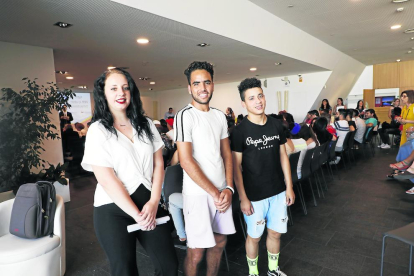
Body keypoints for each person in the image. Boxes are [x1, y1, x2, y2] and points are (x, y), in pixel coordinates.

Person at [81, 68, 178, 276]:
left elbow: (159, 165)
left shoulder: (146, 124)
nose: (121, 93)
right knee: (124, 270)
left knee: (168, 266)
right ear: (103, 93)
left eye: (125, 88)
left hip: (148, 202)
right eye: (114, 88)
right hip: (112, 209)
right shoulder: (98, 130)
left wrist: (153, 203)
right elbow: (106, 179)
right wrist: (136, 214)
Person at [174, 61, 235, 276]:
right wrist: (216, 193)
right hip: (199, 195)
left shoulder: (219, 116)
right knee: (196, 251)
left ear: (213, 85)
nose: (202, 88)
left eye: (206, 82)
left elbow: (227, 155)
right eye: (196, 83)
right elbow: (185, 161)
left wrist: (228, 188)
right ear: (189, 88)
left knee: (219, 243)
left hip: (221, 192)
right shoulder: (185, 116)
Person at [231, 77, 294, 276]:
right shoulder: (239, 132)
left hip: (278, 191)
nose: (258, 101)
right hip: (254, 196)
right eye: (251, 98)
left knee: (275, 233)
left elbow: (283, 156)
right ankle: (253, 273)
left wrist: (289, 186)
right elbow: (236, 167)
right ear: (244, 103)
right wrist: (243, 198)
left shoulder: (277, 125)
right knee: (254, 236)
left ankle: (273, 270)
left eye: (260, 96)